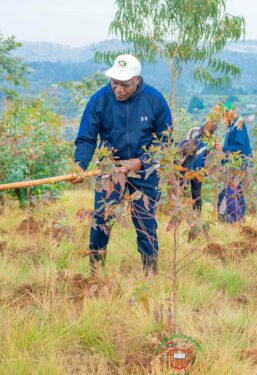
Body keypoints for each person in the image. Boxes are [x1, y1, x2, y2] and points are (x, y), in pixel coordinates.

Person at [73, 54, 172, 276]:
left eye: (125, 84)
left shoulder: (154, 100)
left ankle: (150, 274)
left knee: (146, 222)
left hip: (144, 171)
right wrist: (80, 165)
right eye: (114, 82)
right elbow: (87, 137)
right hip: (110, 169)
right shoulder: (99, 100)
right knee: (102, 218)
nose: (118, 88)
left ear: (137, 79)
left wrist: (141, 162)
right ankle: (96, 272)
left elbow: (166, 141)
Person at [216, 102, 252, 223]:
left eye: (224, 115)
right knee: (234, 192)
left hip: (238, 165)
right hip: (231, 165)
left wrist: (223, 149)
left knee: (231, 192)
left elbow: (240, 147)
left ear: (229, 113)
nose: (223, 119)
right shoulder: (231, 126)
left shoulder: (238, 124)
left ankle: (233, 221)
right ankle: (235, 220)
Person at [178, 120, 217, 212]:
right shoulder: (196, 138)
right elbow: (186, 148)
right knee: (187, 191)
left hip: (197, 171)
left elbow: (209, 158)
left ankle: (196, 213)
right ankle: (187, 212)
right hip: (189, 169)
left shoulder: (210, 142)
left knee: (194, 193)